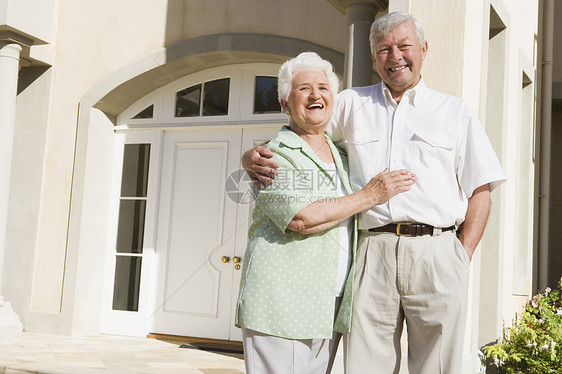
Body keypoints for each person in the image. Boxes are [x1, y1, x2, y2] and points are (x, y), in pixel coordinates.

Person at [241, 12, 506, 374]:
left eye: (404, 46)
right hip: (372, 251)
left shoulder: (455, 112)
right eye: (384, 49)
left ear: (424, 49)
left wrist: (462, 255)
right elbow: (303, 129)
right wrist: (252, 153)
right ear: (373, 58)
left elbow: (482, 189)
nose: (395, 56)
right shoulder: (350, 103)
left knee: (439, 365)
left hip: (437, 251)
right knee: (367, 365)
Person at [235, 51, 415, 374]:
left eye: (323, 87)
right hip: (282, 303)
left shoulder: (340, 152)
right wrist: (371, 194)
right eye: (303, 89)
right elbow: (302, 218)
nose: (315, 94)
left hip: (325, 306)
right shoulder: (274, 155)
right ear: (285, 104)